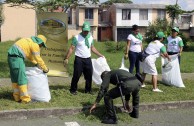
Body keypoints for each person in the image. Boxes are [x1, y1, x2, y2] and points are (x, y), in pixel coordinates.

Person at [64, 21, 104, 95]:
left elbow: (92, 48)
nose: (86, 32)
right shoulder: (77, 37)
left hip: (88, 59)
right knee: (76, 75)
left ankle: (88, 90)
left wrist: (100, 55)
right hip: (79, 59)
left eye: (87, 31)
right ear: (82, 29)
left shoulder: (91, 37)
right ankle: (73, 90)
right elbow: (71, 48)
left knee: (89, 75)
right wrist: (67, 58)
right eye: (85, 30)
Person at [7, 34, 49, 103]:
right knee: (22, 79)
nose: (41, 47)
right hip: (18, 58)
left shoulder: (29, 41)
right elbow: (38, 58)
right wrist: (45, 68)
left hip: (10, 58)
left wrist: (36, 64)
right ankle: (25, 99)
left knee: (15, 78)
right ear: (40, 42)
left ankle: (17, 97)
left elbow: (30, 57)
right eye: (42, 45)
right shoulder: (35, 45)